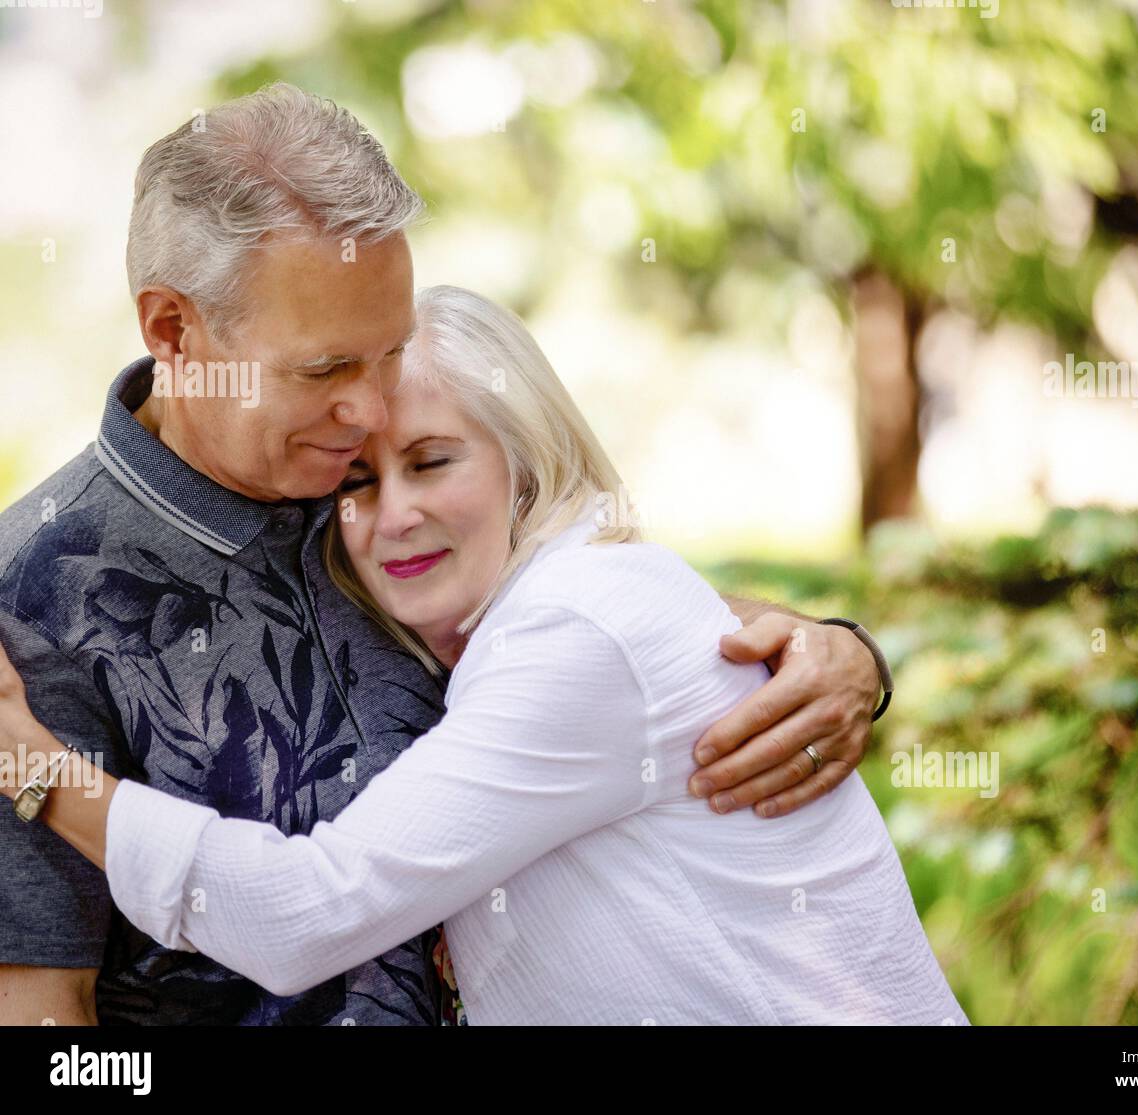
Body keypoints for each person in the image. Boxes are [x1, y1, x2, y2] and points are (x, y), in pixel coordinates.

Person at [0, 85, 886, 1026]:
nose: (375, 410)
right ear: (175, 331)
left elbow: (593, 627)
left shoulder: (371, 482)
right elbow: (43, 1018)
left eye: (389, 353)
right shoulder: (34, 599)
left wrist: (831, 652)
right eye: (328, 369)